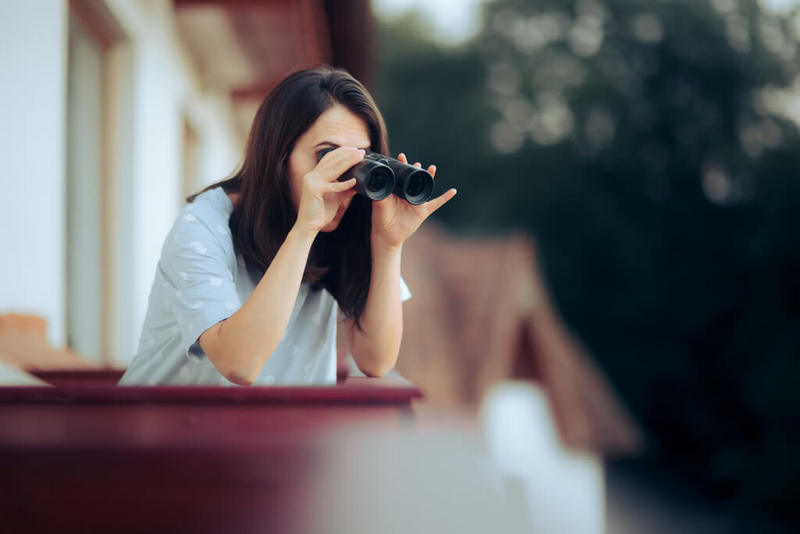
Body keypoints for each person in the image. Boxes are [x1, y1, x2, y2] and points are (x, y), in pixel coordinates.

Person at [119, 66, 457, 386]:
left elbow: (376, 360)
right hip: (154, 433)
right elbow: (240, 363)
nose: (346, 178)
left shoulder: (347, 226)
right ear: (279, 158)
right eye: (327, 156)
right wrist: (304, 230)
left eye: (361, 161)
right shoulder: (203, 225)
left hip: (262, 441)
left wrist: (388, 245)